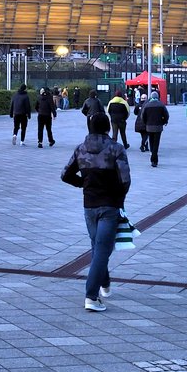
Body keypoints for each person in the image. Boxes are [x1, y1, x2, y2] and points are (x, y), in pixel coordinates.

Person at [61, 112, 131, 312]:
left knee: (98, 246)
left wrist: (83, 183)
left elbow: (65, 174)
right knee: (102, 248)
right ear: (108, 127)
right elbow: (125, 179)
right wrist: (119, 200)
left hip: (89, 205)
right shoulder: (115, 149)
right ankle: (91, 296)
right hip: (109, 204)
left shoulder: (81, 149)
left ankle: (104, 283)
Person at [138, 91, 170, 168]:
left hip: (149, 126)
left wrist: (145, 123)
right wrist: (164, 121)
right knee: (156, 143)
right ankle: (154, 159)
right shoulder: (161, 105)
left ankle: (152, 154)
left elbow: (142, 116)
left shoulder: (147, 105)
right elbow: (166, 115)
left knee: (151, 141)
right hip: (158, 127)